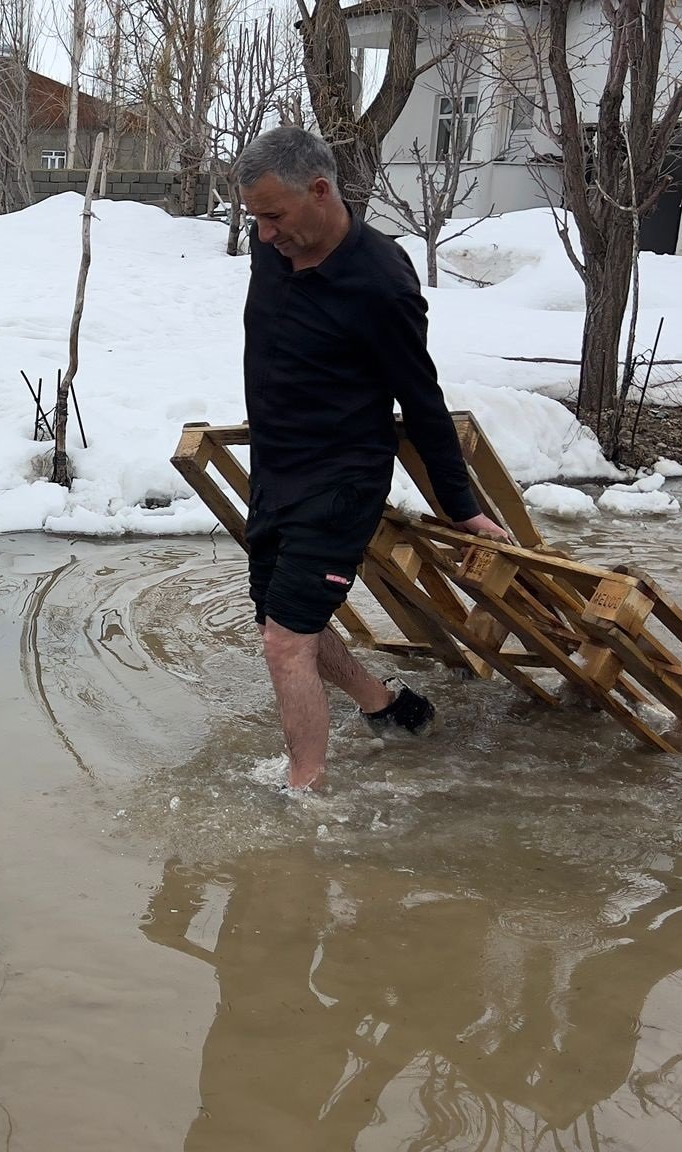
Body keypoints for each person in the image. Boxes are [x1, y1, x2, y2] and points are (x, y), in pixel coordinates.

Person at [234, 126, 511, 794]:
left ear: (320, 191)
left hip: (340, 479)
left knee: (286, 641)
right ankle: (387, 706)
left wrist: (462, 507)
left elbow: (421, 396)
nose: (264, 235)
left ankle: (306, 793)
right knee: (278, 617)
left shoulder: (380, 282)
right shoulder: (271, 248)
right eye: (256, 220)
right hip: (277, 469)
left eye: (274, 215)